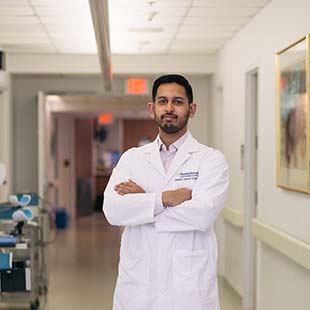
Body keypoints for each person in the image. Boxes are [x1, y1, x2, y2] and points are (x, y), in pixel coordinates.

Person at [103, 74, 229, 310]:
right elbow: (113, 210)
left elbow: (201, 215)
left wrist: (142, 202)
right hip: (139, 287)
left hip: (188, 288)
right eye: (162, 101)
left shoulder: (210, 160)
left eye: (177, 102)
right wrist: (164, 198)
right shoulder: (132, 159)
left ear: (192, 109)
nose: (169, 108)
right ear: (152, 109)